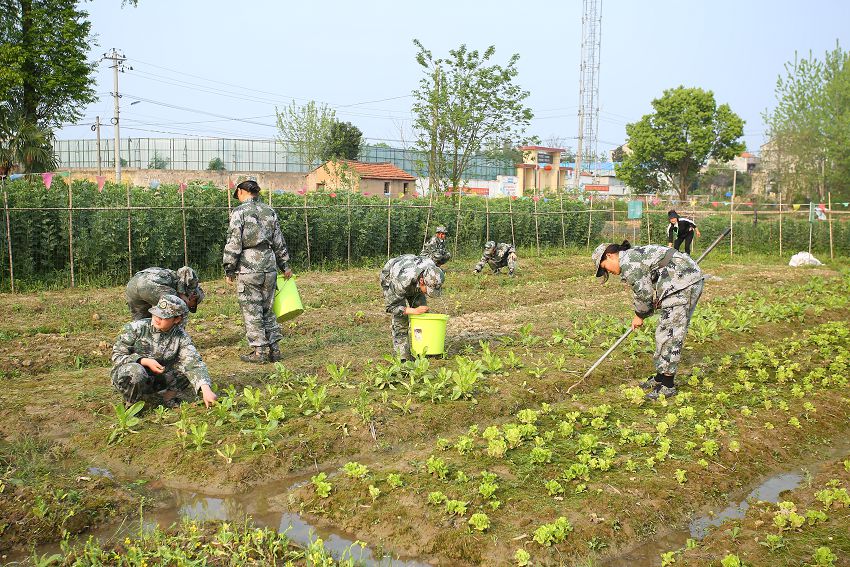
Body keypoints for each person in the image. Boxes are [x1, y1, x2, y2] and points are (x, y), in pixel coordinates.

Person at [592, 240, 705, 400]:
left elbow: (643, 294)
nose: (609, 272)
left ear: (610, 256)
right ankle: (660, 377)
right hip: (678, 282)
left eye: (605, 267)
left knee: (671, 333)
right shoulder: (631, 258)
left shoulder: (629, 263)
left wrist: (639, 315)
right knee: (664, 331)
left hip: (683, 283)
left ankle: (667, 385)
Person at [223, 179, 293, 364]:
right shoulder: (269, 211)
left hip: (248, 268)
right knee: (268, 309)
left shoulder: (239, 212)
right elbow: (279, 240)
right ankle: (275, 350)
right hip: (269, 265)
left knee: (251, 310)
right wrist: (285, 265)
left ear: (240, 192)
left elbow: (234, 241)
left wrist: (229, 268)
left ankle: (259, 352)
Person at [111, 295, 217, 409]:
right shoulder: (136, 328)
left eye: (164, 316)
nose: (157, 318)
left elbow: (194, 363)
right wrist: (143, 361)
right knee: (136, 371)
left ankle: (168, 398)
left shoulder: (180, 336)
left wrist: (206, 390)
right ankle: (132, 404)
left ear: (177, 319)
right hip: (130, 377)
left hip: (158, 377)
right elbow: (117, 356)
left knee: (185, 368)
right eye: (156, 313)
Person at [380, 254, 445, 360]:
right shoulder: (401, 282)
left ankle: (423, 350)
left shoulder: (433, 270)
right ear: (422, 282)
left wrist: (418, 310)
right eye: (428, 290)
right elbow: (391, 307)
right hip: (392, 274)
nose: (429, 294)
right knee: (401, 322)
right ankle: (403, 358)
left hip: (413, 272)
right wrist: (413, 311)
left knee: (422, 314)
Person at [125, 266, 205, 324]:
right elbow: (186, 270)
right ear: (192, 296)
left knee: (140, 321)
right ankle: (177, 340)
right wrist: (182, 297)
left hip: (132, 285)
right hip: (150, 284)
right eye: (194, 302)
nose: (191, 305)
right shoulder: (190, 284)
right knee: (179, 310)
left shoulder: (170, 276)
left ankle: (136, 342)